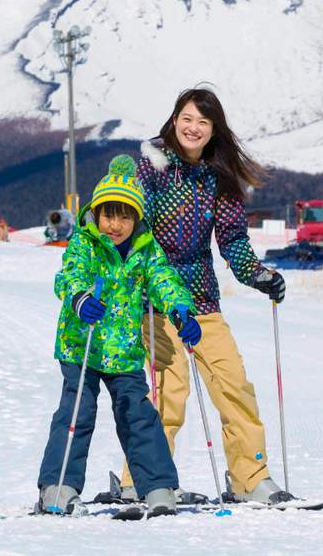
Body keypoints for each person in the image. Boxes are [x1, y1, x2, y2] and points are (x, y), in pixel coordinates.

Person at [119, 87, 290, 504]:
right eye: (187, 118)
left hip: (202, 301)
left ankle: (249, 478)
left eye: (203, 121)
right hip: (156, 300)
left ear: (214, 130)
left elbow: (231, 239)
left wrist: (258, 274)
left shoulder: (218, 178)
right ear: (174, 120)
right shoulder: (151, 170)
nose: (193, 128)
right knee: (168, 394)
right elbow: (125, 225)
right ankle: (143, 481)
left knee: (234, 385)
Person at [36, 155, 201, 517]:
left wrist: (180, 310)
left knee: (139, 416)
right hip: (82, 346)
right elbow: (70, 275)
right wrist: (79, 299)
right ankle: (58, 485)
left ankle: (157, 486)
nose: (116, 225)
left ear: (136, 219)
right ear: (96, 214)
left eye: (125, 216)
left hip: (124, 352)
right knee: (77, 412)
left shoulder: (146, 249)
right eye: (109, 214)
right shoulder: (85, 242)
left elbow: (165, 281)